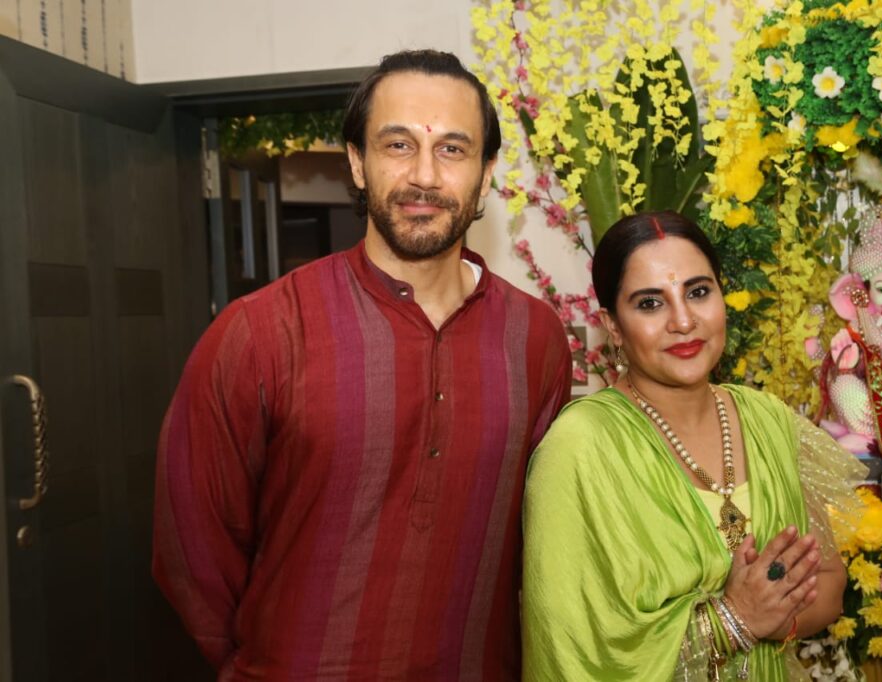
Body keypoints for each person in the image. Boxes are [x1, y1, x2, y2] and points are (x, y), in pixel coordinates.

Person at [152, 50, 572, 680]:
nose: (424, 175)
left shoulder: (535, 337)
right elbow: (193, 548)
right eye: (398, 145)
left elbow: (541, 537)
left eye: (452, 149)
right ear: (357, 162)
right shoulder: (259, 333)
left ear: (486, 174)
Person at [521, 211, 865, 680]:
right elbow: (573, 648)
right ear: (613, 326)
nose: (683, 321)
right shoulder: (580, 448)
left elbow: (828, 583)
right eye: (650, 303)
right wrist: (733, 620)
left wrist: (769, 620)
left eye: (699, 292)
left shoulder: (767, 420)